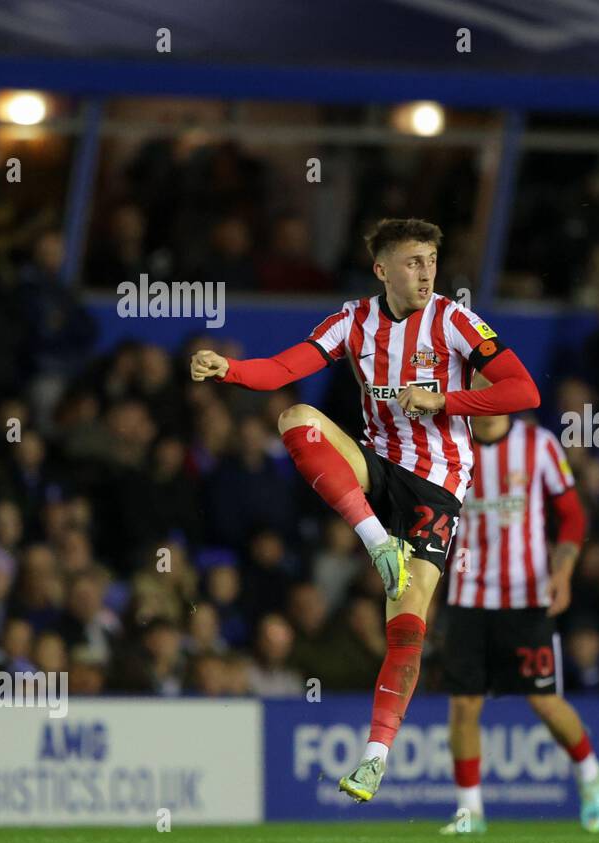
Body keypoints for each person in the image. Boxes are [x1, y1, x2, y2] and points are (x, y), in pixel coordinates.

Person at [190, 217, 540, 802]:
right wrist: (230, 369)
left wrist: (444, 399)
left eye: (430, 260)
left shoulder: (456, 320)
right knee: (295, 420)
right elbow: (284, 369)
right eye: (412, 262)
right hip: (376, 468)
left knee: (407, 629)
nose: (425, 273)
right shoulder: (352, 320)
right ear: (382, 270)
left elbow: (523, 390)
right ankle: (378, 542)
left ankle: (374, 758)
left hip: (436, 486)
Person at [438, 380, 599, 834]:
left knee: (544, 702)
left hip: (526, 595)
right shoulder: (451, 444)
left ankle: (590, 773)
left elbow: (572, 516)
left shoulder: (539, 445)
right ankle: (470, 813)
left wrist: (563, 572)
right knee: (464, 705)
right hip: (468, 595)